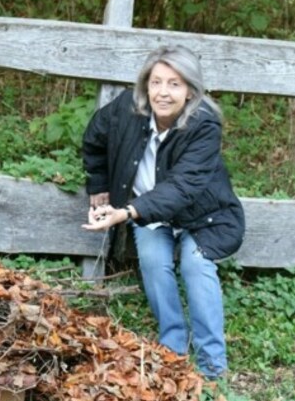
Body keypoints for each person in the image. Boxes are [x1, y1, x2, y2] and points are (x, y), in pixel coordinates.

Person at [80, 45, 244, 379]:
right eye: (156, 82)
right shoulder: (126, 108)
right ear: (146, 85)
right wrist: (98, 184)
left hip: (203, 215)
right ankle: (173, 347)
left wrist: (126, 212)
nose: (163, 93)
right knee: (154, 262)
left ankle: (212, 365)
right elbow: (94, 139)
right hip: (148, 213)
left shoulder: (204, 126)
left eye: (174, 84)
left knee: (196, 266)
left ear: (190, 91)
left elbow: (183, 188)